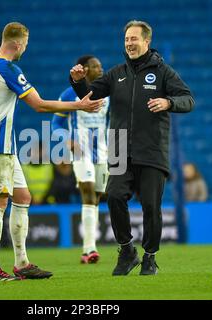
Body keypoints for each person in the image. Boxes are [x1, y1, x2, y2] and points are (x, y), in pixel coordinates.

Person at [0, 22, 104, 281]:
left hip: (0, 145)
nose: (25, 49)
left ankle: (22, 262)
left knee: (23, 197)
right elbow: (38, 106)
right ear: (17, 44)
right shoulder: (8, 69)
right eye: (25, 44)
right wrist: (79, 105)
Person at [70, 20, 194, 276]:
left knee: (150, 206)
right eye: (126, 40)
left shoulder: (163, 72)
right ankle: (127, 251)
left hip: (152, 150)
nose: (129, 44)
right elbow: (89, 96)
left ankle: (150, 257)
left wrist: (169, 102)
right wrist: (78, 82)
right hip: (119, 149)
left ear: (147, 41)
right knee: (114, 196)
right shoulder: (116, 74)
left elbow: (188, 99)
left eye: (134, 39)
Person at [52, 55, 110, 264]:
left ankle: (87, 251)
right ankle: (90, 248)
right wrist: (67, 140)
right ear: (85, 70)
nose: (100, 69)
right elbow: (55, 124)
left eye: (101, 65)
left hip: (103, 152)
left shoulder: (107, 94)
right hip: (80, 151)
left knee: (96, 198)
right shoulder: (69, 94)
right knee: (87, 193)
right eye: (96, 66)